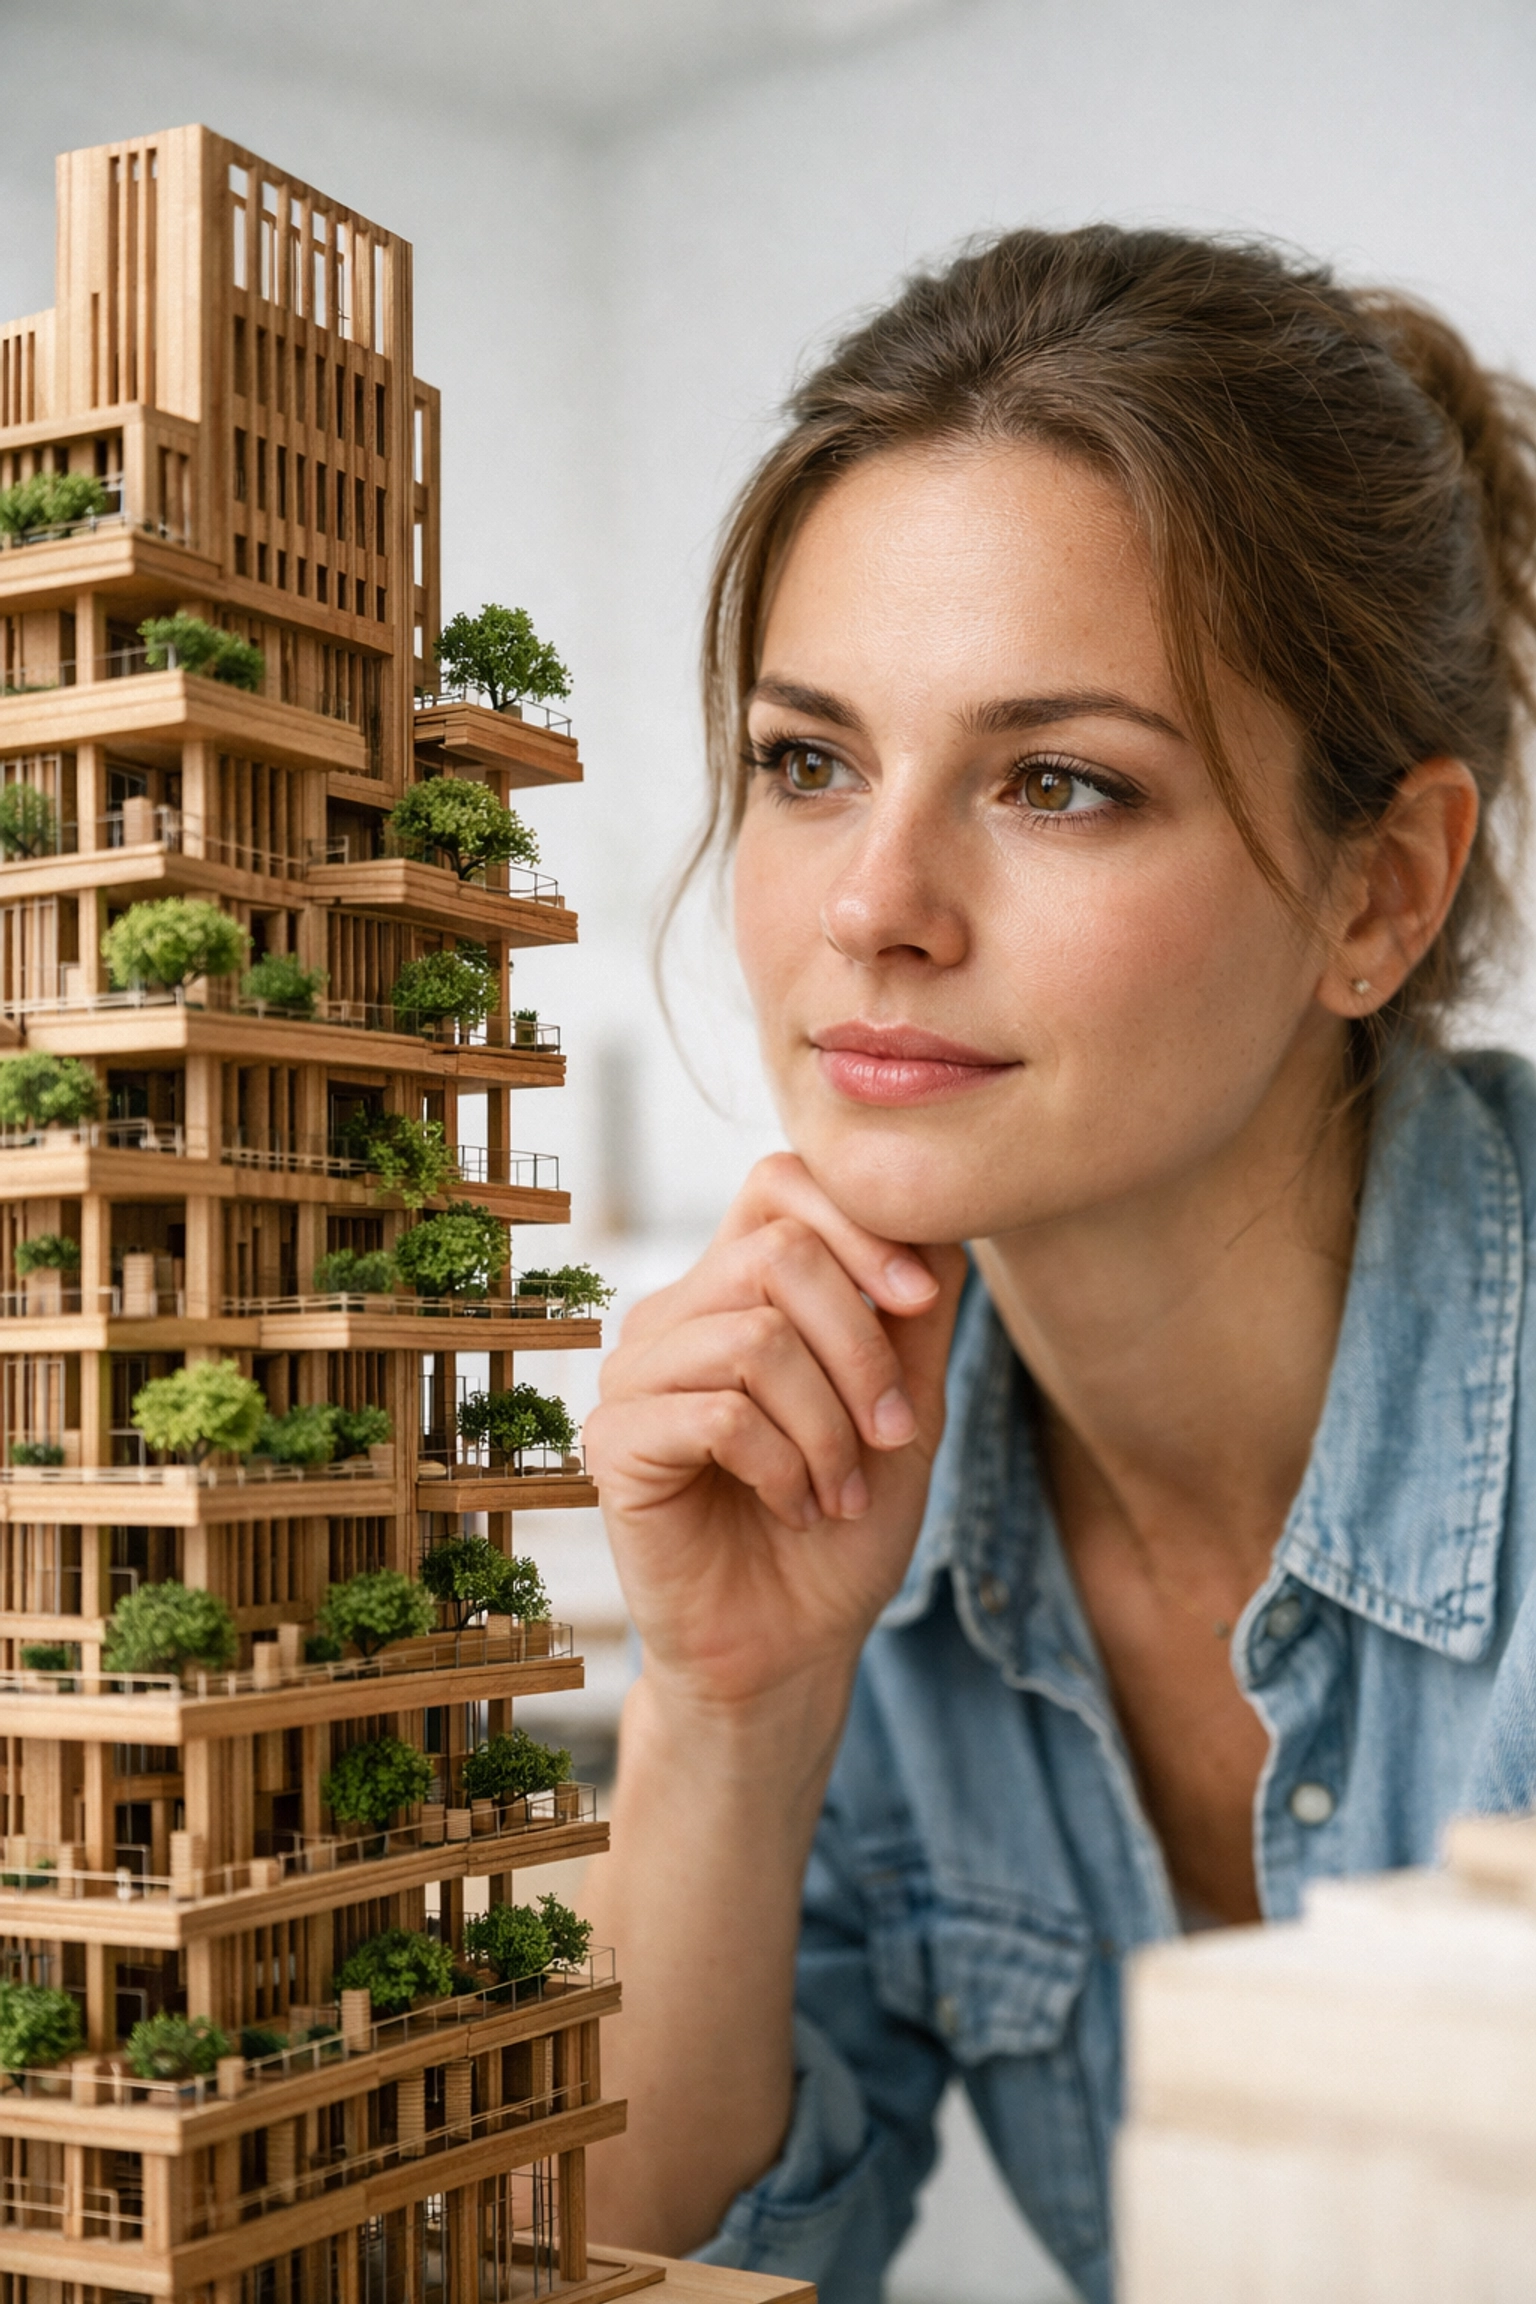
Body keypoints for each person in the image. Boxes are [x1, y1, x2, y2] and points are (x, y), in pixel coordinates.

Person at [581, 226, 1536, 2303]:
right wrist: (733, 1715)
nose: (875, 905)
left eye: (1058, 783)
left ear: (1379, 893)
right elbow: (638, 2265)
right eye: (807, 761)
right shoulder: (851, 1501)